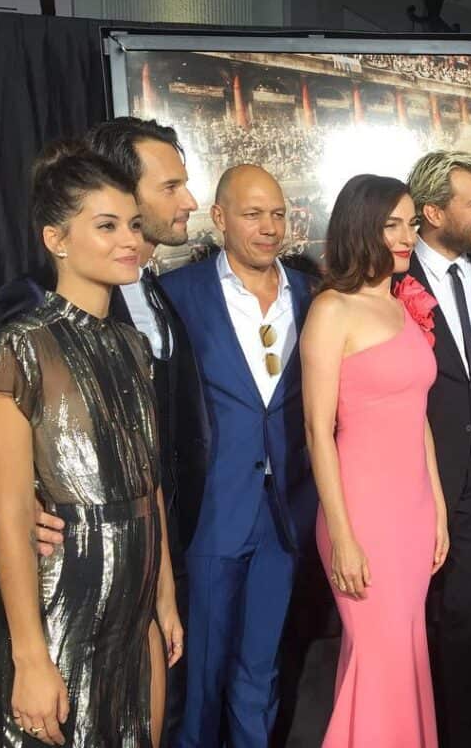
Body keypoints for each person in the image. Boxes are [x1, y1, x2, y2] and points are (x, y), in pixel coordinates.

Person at [0, 142, 183, 746]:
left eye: (135, 225)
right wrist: (31, 660)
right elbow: (10, 518)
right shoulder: (16, 348)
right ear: (56, 239)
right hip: (63, 612)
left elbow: (149, 483)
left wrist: (163, 596)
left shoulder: (132, 346)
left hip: (135, 614)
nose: (130, 241)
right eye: (107, 226)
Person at [30, 117, 205, 745]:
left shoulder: (153, 297)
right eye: (171, 186)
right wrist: (23, 495)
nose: (188, 200)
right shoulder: (26, 309)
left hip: (163, 549)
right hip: (80, 573)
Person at [160, 164, 318, 748]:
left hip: (287, 514)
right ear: (220, 218)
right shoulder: (176, 294)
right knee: (200, 675)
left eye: (277, 214)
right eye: (253, 214)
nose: (269, 227)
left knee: (262, 667)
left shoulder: (311, 293)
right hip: (213, 514)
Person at [301, 174, 449, 747]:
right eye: (392, 224)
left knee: (405, 656)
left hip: (411, 517)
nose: (406, 235)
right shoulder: (331, 310)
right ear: (360, 226)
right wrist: (341, 536)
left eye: (411, 223)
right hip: (360, 515)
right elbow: (317, 430)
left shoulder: (399, 305)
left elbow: (420, 421)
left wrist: (436, 508)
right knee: (378, 658)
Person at [404, 151, 471, 748]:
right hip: (411, 480)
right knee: (413, 621)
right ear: (434, 211)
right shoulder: (392, 281)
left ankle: (460, 733)